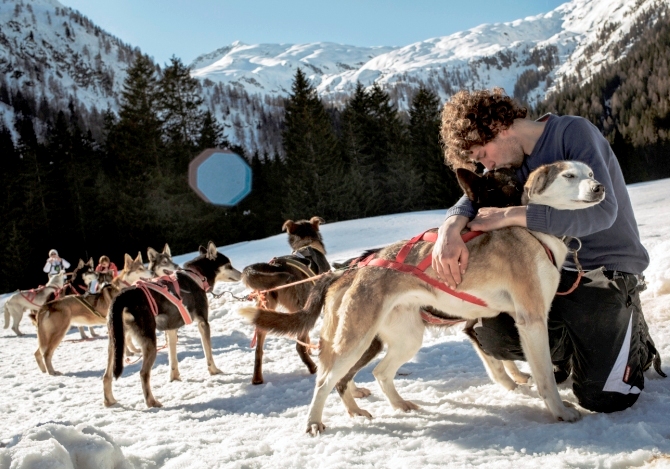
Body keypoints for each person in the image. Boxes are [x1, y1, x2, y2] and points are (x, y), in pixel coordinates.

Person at [432, 88, 663, 413]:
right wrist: (449, 228)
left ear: (499, 126)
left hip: (605, 273)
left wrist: (511, 215)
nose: (486, 165)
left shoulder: (573, 133)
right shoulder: (512, 161)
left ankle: (630, 337)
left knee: (606, 397)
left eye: (483, 153)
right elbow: (472, 197)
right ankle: (577, 350)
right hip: (549, 275)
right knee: (492, 333)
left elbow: (601, 211)